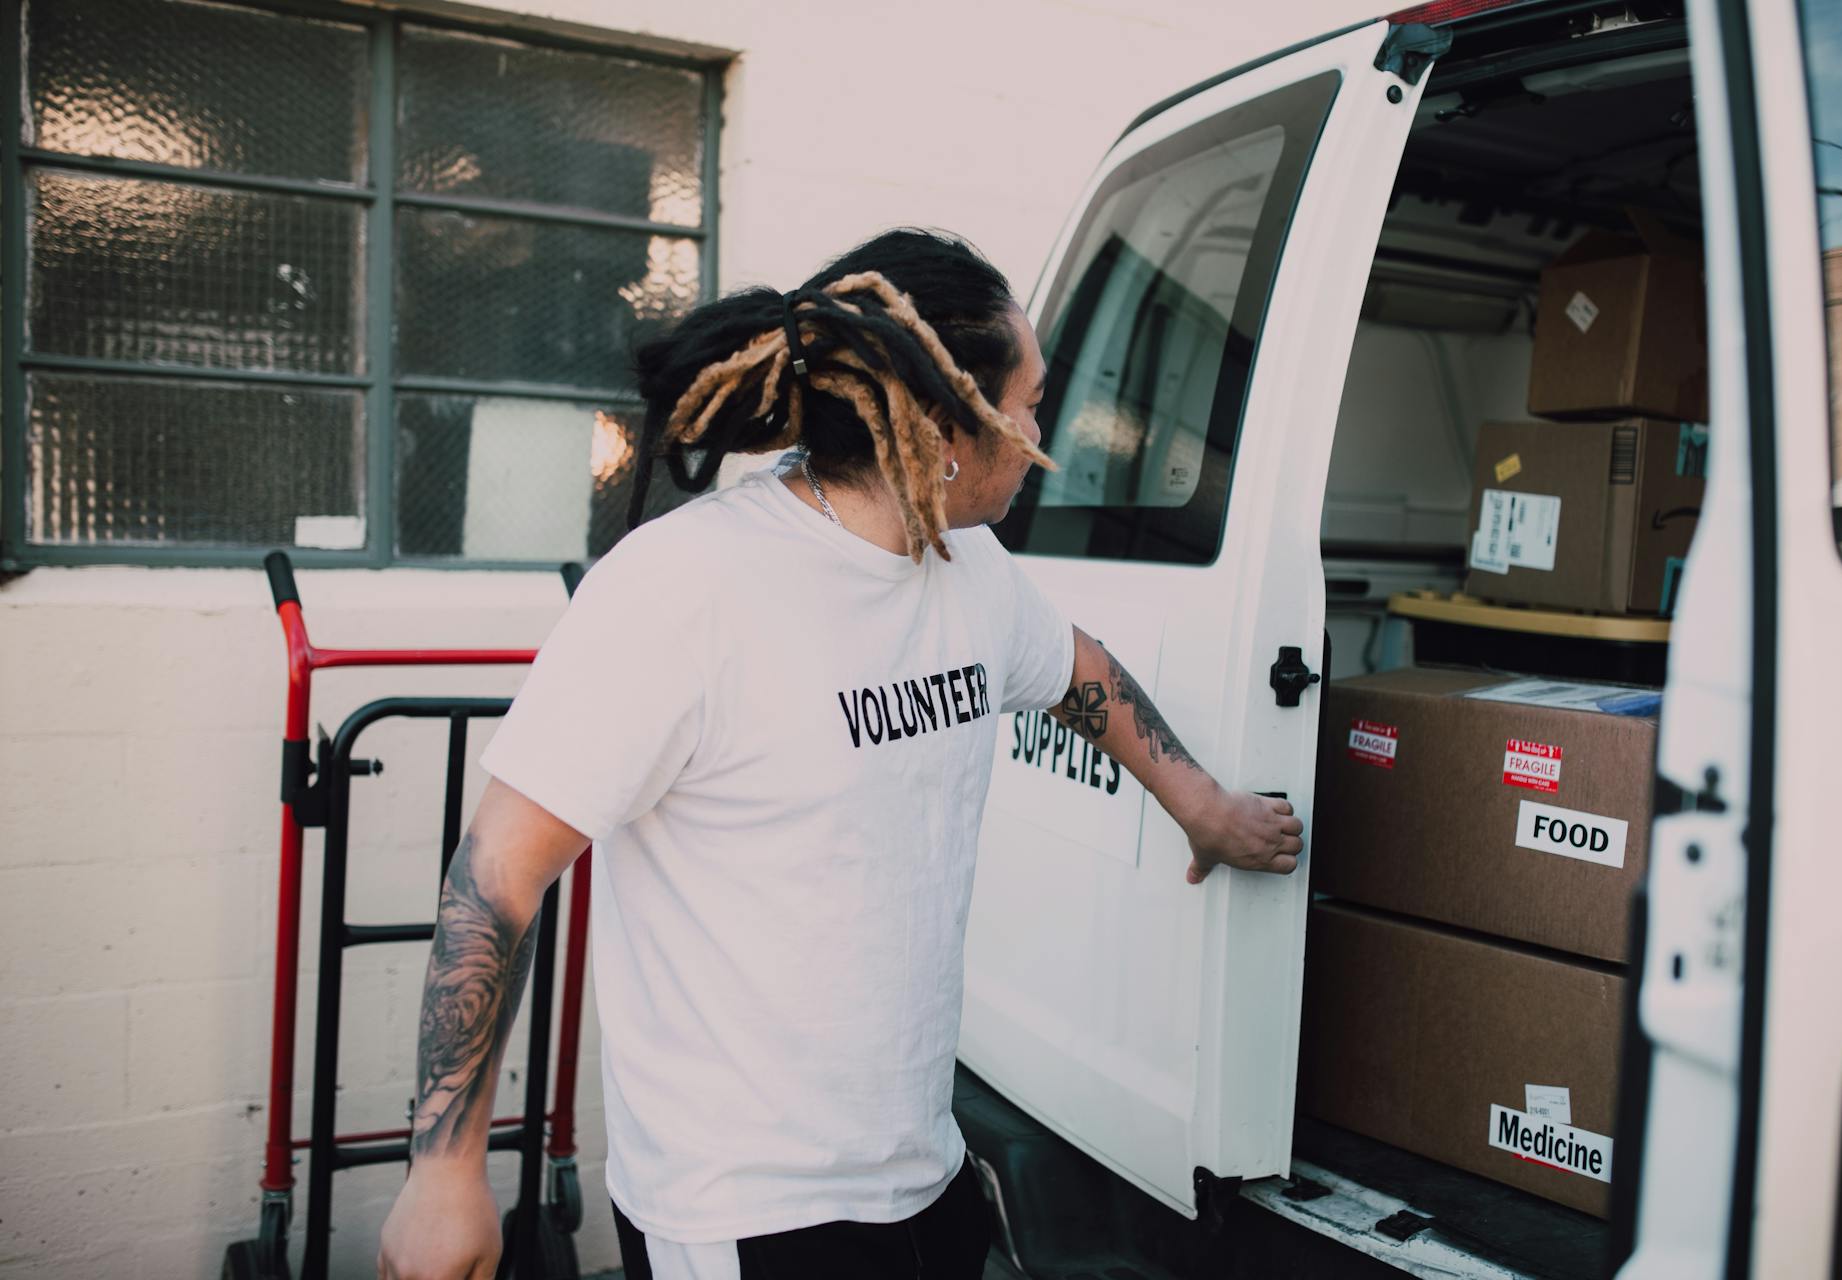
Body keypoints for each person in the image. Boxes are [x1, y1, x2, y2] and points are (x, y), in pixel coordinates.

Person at [376, 228, 1304, 1280]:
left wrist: (1203, 807)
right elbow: (496, 872)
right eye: (1031, 400)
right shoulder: (685, 589)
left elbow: (1076, 669)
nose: (1044, 428)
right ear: (946, 425)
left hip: (924, 1173)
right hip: (744, 1212)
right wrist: (445, 1173)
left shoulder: (971, 566)